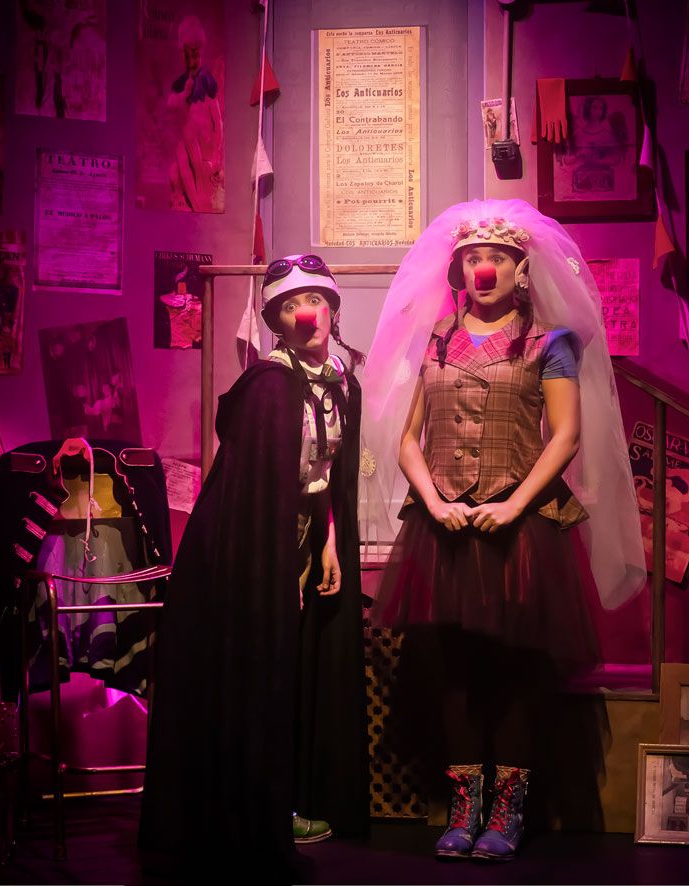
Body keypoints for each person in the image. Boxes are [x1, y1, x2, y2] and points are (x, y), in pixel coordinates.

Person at [360, 199, 646, 863]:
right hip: (446, 530)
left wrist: (515, 504)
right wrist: (432, 500)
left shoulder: (549, 343)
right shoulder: (434, 339)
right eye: (472, 258)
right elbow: (408, 438)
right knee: (454, 671)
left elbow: (565, 435)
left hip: (519, 532)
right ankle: (464, 808)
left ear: (521, 268)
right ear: (457, 268)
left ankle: (508, 811)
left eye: (495, 258)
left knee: (516, 672)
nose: (482, 269)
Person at [140, 255, 368, 880]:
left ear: (332, 309)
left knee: (291, 666)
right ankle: (251, 814)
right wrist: (274, 565)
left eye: (314, 301)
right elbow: (263, 485)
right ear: (276, 322)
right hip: (244, 544)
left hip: (299, 535)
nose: (305, 316)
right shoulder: (271, 384)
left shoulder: (342, 382)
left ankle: (285, 799)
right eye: (290, 307)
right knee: (257, 667)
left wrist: (326, 541)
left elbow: (322, 477)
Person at [167, 16, 224, 212]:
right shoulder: (181, 86)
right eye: (187, 54)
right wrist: (184, 94)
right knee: (181, 159)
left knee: (198, 165)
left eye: (196, 53)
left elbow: (218, 122)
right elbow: (172, 106)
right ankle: (195, 203)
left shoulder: (207, 84)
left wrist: (215, 154)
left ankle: (199, 204)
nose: (192, 60)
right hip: (188, 150)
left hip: (206, 155)